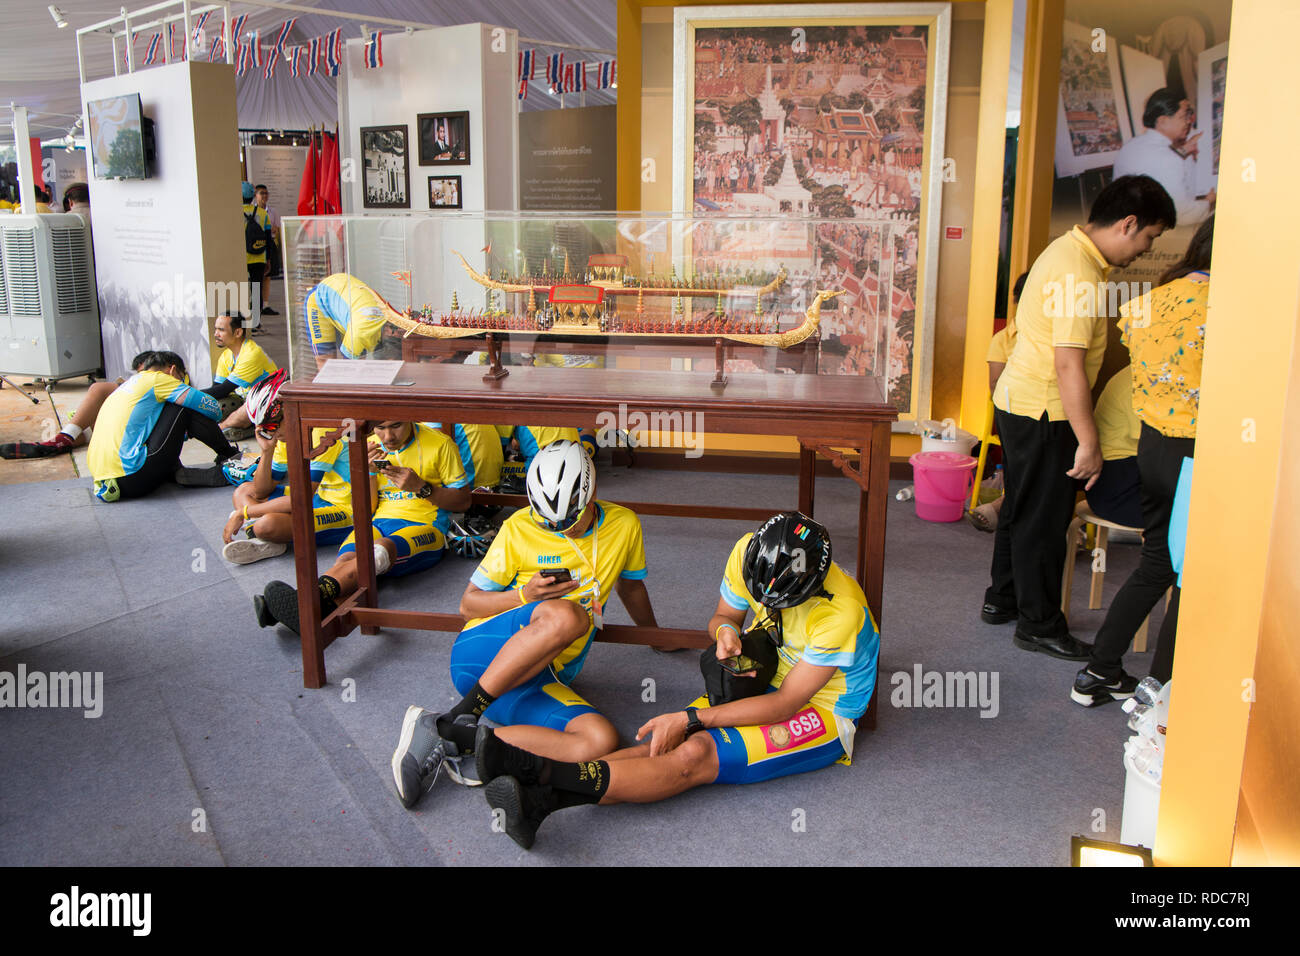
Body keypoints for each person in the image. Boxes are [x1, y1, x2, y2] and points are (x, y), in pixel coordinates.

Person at [475, 511, 879, 850]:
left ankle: (542, 786)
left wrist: (691, 718)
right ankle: (540, 799)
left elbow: (786, 704)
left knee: (695, 751)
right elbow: (723, 617)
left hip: (822, 709)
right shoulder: (747, 551)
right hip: (766, 672)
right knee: (668, 739)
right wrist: (724, 633)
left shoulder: (840, 612)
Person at [389, 440, 659, 810]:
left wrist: (657, 637)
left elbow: (631, 586)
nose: (559, 528)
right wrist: (524, 596)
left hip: (540, 676)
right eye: (548, 520)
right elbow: (468, 605)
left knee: (599, 740)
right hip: (483, 657)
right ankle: (460, 716)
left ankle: (453, 737)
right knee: (567, 615)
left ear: (592, 490)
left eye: (569, 519)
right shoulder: (518, 527)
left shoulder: (624, 524)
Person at [983, 175, 1175, 660]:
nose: (1144, 248)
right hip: (1046, 409)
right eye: (1150, 236)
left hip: (1020, 400)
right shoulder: (1079, 274)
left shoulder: (1067, 251)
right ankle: (1039, 625)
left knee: (1022, 508)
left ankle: (1003, 599)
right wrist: (1087, 441)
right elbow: (1068, 363)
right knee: (1044, 520)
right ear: (1128, 224)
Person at [1072, 216, 1214, 706]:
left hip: (1151, 449)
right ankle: (1163, 694)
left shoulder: (1146, 304)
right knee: (1192, 573)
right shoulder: (1228, 309)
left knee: (1158, 563)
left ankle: (1099, 672)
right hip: (1201, 452)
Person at [255, 420, 471, 633]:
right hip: (379, 520)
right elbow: (367, 508)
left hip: (426, 525)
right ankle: (315, 616)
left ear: (409, 417)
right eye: (380, 428)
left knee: (380, 548)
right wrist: (367, 473)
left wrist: (422, 488)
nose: (388, 437)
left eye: (396, 426)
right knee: (347, 560)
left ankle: (305, 599)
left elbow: (463, 502)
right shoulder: (370, 445)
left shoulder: (440, 444)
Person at [221, 371, 353, 565]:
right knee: (243, 491)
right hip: (319, 497)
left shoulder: (321, 433)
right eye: (264, 428)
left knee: (267, 524)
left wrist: (245, 513)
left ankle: (263, 532)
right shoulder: (286, 433)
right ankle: (266, 535)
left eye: (272, 426)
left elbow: (300, 499)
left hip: (344, 508)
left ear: (289, 412)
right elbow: (260, 491)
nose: (268, 432)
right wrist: (267, 450)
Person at [86, 351, 241, 501]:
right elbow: (212, 407)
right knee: (184, 406)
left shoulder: (128, 385)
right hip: (133, 476)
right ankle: (231, 456)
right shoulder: (158, 379)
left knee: (174, 406)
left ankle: (175, 472)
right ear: (172, 370)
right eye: (181, 379)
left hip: (106, 480)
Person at [1, 350, 156, 459]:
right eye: (138, 374)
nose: (140, 377)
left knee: (99, 389)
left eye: (144, 372)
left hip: (133, 434)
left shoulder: (163, 384)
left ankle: (60, 440)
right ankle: (56, 443)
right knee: (83, 430)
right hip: (120, 428)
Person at [969, 272, 1028, 533]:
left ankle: (1004, 505)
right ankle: (1006, 505)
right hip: (1015, 412)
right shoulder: (1004, 338)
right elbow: (996, 386)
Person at [1112, 88, 1214, 226]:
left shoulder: (1133, 144)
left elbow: (1155, 168)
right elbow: (1181, 215)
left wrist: (1184, 150)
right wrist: (1209, 202)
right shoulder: (1166, 158)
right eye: (1184, 116)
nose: (1188, 121)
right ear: (1163, 121)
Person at [302, 273, 404, 368]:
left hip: (350, 305)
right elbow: (350, 369)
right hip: (320, 300)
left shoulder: (390, 318)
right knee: (325, 362)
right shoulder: (359, 335)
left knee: (359, 360)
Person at [1083, 365, 1142, 528]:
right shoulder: (1142, 381)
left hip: (1127, 474)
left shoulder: (1140, 372)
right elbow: (1159, 446)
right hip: (1118, 489)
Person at [204, 312, 279, 439]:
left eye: (221, 330)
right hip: (246, 401)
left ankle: (221, 428)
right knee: (216, 403)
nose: (216, 334)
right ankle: (242, 427)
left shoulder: (251, 353)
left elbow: (225, 389)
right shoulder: (226, 355)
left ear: (238, 333)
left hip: (269, 401)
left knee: (248, 406)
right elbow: (217, 389)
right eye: (216, 329)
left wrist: (188, 395)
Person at [241, 182, 271, 326]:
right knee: (256, 289)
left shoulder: (233, 213)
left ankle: (241, 321)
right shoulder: (263, 213)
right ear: (252, 196)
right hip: (259, 256)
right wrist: (269, 260)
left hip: (241, 258)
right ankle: (256, 322)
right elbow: (268, 238)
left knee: (241, 289)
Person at [255, 184, 283, 284]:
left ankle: (265, 300)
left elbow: (276, 228)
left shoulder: (272, 211)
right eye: (262, 193)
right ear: (255, 195)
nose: (264, 196)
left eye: (266, 193)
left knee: (268, 275)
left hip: (269, 244)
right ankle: (256, 299)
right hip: (256, 245)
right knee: (256, 276)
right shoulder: (252, 211)